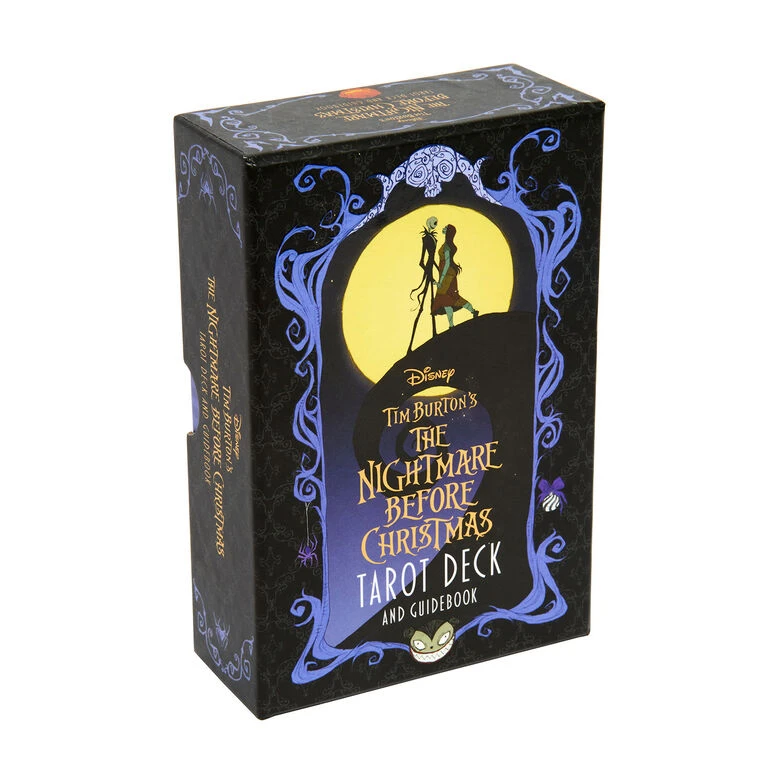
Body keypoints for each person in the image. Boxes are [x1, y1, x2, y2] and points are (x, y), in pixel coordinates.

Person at [431, 224, 478, 327]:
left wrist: (441, 280)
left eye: (445, 228)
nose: (443, 228)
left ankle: (453, 324)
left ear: (448, 232)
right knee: (449, 299)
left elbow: (447, 263)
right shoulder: (446, 245)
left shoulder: (447, 246)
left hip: (447, 275)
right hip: (446, 273)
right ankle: (471, 312)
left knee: (447, 299)